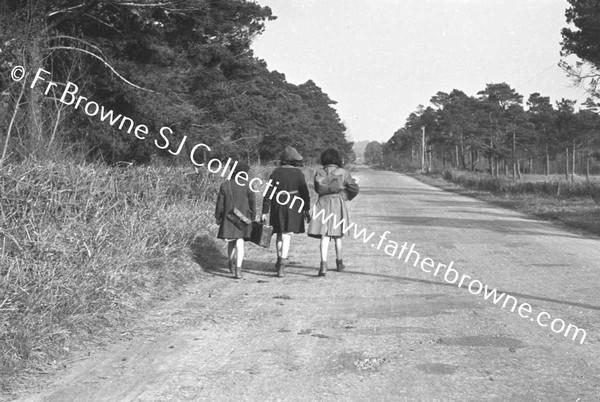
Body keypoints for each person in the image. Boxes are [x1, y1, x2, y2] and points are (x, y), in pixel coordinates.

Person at [307, 148, 359, 277]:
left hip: (322, 203)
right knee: (337, 236)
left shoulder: (319, 172)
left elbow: (317, 189)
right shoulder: (344, 172)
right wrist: (345, 195)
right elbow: (354, 188)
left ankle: (323, 265)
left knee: (324, 236)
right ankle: (339, 263)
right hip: (337, 203)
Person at [262, 146, 310, 277]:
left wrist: (264, 211)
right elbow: (305, 193)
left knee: (279, 233)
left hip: (277, 205)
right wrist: (306, 208)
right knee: (287, 235)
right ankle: (282, 265)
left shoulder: (276, 172)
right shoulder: (298, 173)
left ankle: (279, 260)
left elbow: (268, 193)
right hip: (293, 205)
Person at [215, 162, 256, 279]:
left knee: (231, 242)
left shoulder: (225, 185)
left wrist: (218, 217)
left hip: (228, 218)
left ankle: (231, 262)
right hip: (243, 218)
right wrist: (253, 217)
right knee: (240, 243)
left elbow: (220, 204)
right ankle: (238, 269)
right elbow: (253, 203)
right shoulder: (248, 185)